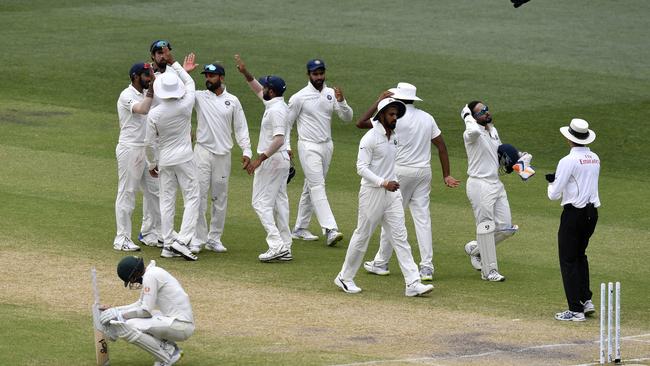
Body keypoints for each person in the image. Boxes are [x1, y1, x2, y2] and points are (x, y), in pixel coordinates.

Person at [357, 84, 460, 281]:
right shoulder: (427, 118)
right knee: (422, 219)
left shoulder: (393, 117)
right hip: (423, 173)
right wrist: (446, 174)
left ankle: (381, 262)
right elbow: (442, 146)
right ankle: (427, 267)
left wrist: (378, 101)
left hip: (400, 172)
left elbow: (360, 123)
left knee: (392, 217)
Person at [334, 98, 434, 297]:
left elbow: (390, 165)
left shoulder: (394, 137)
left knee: (400, 237)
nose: (395, 118)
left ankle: (412, 283)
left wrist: (392, 183)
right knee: (363, 235)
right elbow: (361, 168)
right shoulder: (370, 138)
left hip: (391, 194)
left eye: (396, 114)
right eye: (391, 114)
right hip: (372, 193)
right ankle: (344, 278)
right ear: (381, 116)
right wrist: (383, 182)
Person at [189, 62, 253, 254]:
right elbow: (179, 93)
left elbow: (241, 128)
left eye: (212, 76)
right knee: (198, 196)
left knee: (219, 197)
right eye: (206, 76)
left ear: (221, 78)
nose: (208, 79)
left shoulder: (232, 101)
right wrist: (182, 71)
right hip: (201, 152)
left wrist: (247, 151)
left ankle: (214, 238)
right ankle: (198, 238)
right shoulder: (199, 97)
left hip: (223, 156)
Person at [287, 58, 353, 246]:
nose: (319, 77)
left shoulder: (331, 94)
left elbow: (347, 118)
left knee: (311, 186)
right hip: (308, 146)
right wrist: (287, 148)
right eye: (315, 74)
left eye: (321, 73)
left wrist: (342, 102)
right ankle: (330, 229)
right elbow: (286, 124)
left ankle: (300, 228)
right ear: (308, 75)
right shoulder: (299, 97)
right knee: (318, 186)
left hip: (327, 146)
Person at [234, 54, 293, 262]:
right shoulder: (276, 104)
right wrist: (245, 73)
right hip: (281, 160)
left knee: (260, 202)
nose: (263, 89)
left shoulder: (276, 110)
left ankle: (276, 245)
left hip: (273, 160)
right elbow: (258, 90)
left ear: (273, 91)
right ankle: (285, 246)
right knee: (279, 203)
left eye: (266, 86)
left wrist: (260, 159)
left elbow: (278, 139)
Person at [145, 46, 199, 261]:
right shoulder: (186, 104)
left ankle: (168, 243)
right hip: (185, 157)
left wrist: (153, 163)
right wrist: (174, 62)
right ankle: (182, 240)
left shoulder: (155, 114)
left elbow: (149, 142)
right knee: (192, 197)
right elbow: (190, 83)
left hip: (165, 160)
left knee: (167, 201)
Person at [460, 101, 519, 282]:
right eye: (481, 112)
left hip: (495, 183)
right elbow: (475, 130)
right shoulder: (471, 134)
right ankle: (489, 271)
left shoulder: (493, 131)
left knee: (507, 228)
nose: (486, 113)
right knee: (486, 226)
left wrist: (519, 159)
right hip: (479, 184)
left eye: (486, 109)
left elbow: (499, 154)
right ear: (473, 116)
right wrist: (466, 116)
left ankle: (475, 249)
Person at [547, 118, 600, 322]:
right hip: (591, 214)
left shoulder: (567, 161)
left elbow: (554, 194)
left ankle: (575, 310)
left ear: (569, 139)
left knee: (568, 260)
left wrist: (551, 183)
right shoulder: (594, 158)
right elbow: (581, 181)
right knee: (580, 255)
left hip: (574, 214)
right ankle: (586, 301)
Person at [99, 256, 194, 366]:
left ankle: (168, 355)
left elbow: (145, 311)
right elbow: (140, 304)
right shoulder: (151, 273)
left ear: (137, 273)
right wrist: (114, 310)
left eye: (132, 278)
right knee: (132, 319)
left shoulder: (150, 276)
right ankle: (170, 348)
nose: (133, 281)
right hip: (177, 322)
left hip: (182, 325)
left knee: (130, 324)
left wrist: (119, 315)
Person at [114, 62, 162, 252]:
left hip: (145, 150)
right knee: (127, 193)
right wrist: (151, 89)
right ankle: (121, 239)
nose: (149, 78)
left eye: (149, 75)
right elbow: (142, 110)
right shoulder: (126, 95)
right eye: (146, 75)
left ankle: (152, 234)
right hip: (130, 149)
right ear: (135, 76)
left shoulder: (145, 93)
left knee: (155, 192)